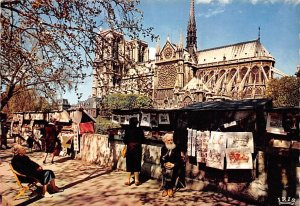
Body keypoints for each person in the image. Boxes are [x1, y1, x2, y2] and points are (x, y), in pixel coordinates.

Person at [123, 117, 145, 186]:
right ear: (137, 123)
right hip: (137, 148)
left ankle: (128, 180)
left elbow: (125, 140)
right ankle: (137, 180)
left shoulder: (127, 129)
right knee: (137, 163)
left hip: (130, 148)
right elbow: (143, 140)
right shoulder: (140, 130)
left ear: (130, 122)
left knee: (129, 163)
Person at [160, 133, 181, 197]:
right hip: (166, 166)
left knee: (170, 171)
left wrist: (173, 165)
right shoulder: (164, 148)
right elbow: (161, 159)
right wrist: (164, 164)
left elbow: (179, 160)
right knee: (167, 170)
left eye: (171, 140)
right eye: (169, 140)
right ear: (165, 141)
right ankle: (167, 189)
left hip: (175, 167)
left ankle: (169, 188)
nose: (170, 142)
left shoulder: (176, 148)